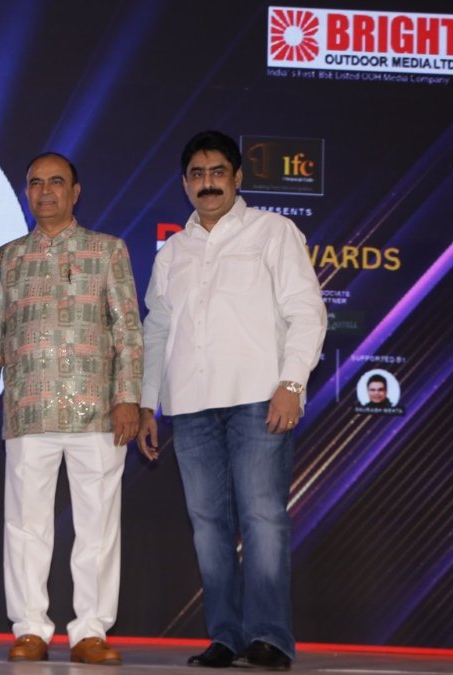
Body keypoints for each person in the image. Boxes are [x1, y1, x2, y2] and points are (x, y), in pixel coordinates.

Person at [136, 130, 326, 670]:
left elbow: (307, 312)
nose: (208, 183)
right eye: (197, 175)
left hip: (258, 397)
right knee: (207, 524)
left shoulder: (272, 231)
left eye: (217, 172)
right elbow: (157, 331)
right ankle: (225, 635)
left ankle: (269, 637)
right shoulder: (173, 251)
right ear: (184, 184)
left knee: (263, 517)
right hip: (189, 404)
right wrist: (148, 402)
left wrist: (292, 384)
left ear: (237, 177)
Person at [0, 152, 142, 665]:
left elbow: (127, 330)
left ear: (75, 192)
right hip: (29, 407)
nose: (44, 192)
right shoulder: (8, 257)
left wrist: (128, 397)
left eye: (55, 182)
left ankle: (91, 630)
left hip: (98, 409)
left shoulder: (107, 250)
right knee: (26, 526)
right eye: (35, 183)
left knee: (97, 525)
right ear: (26, 192)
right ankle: (30, 628)